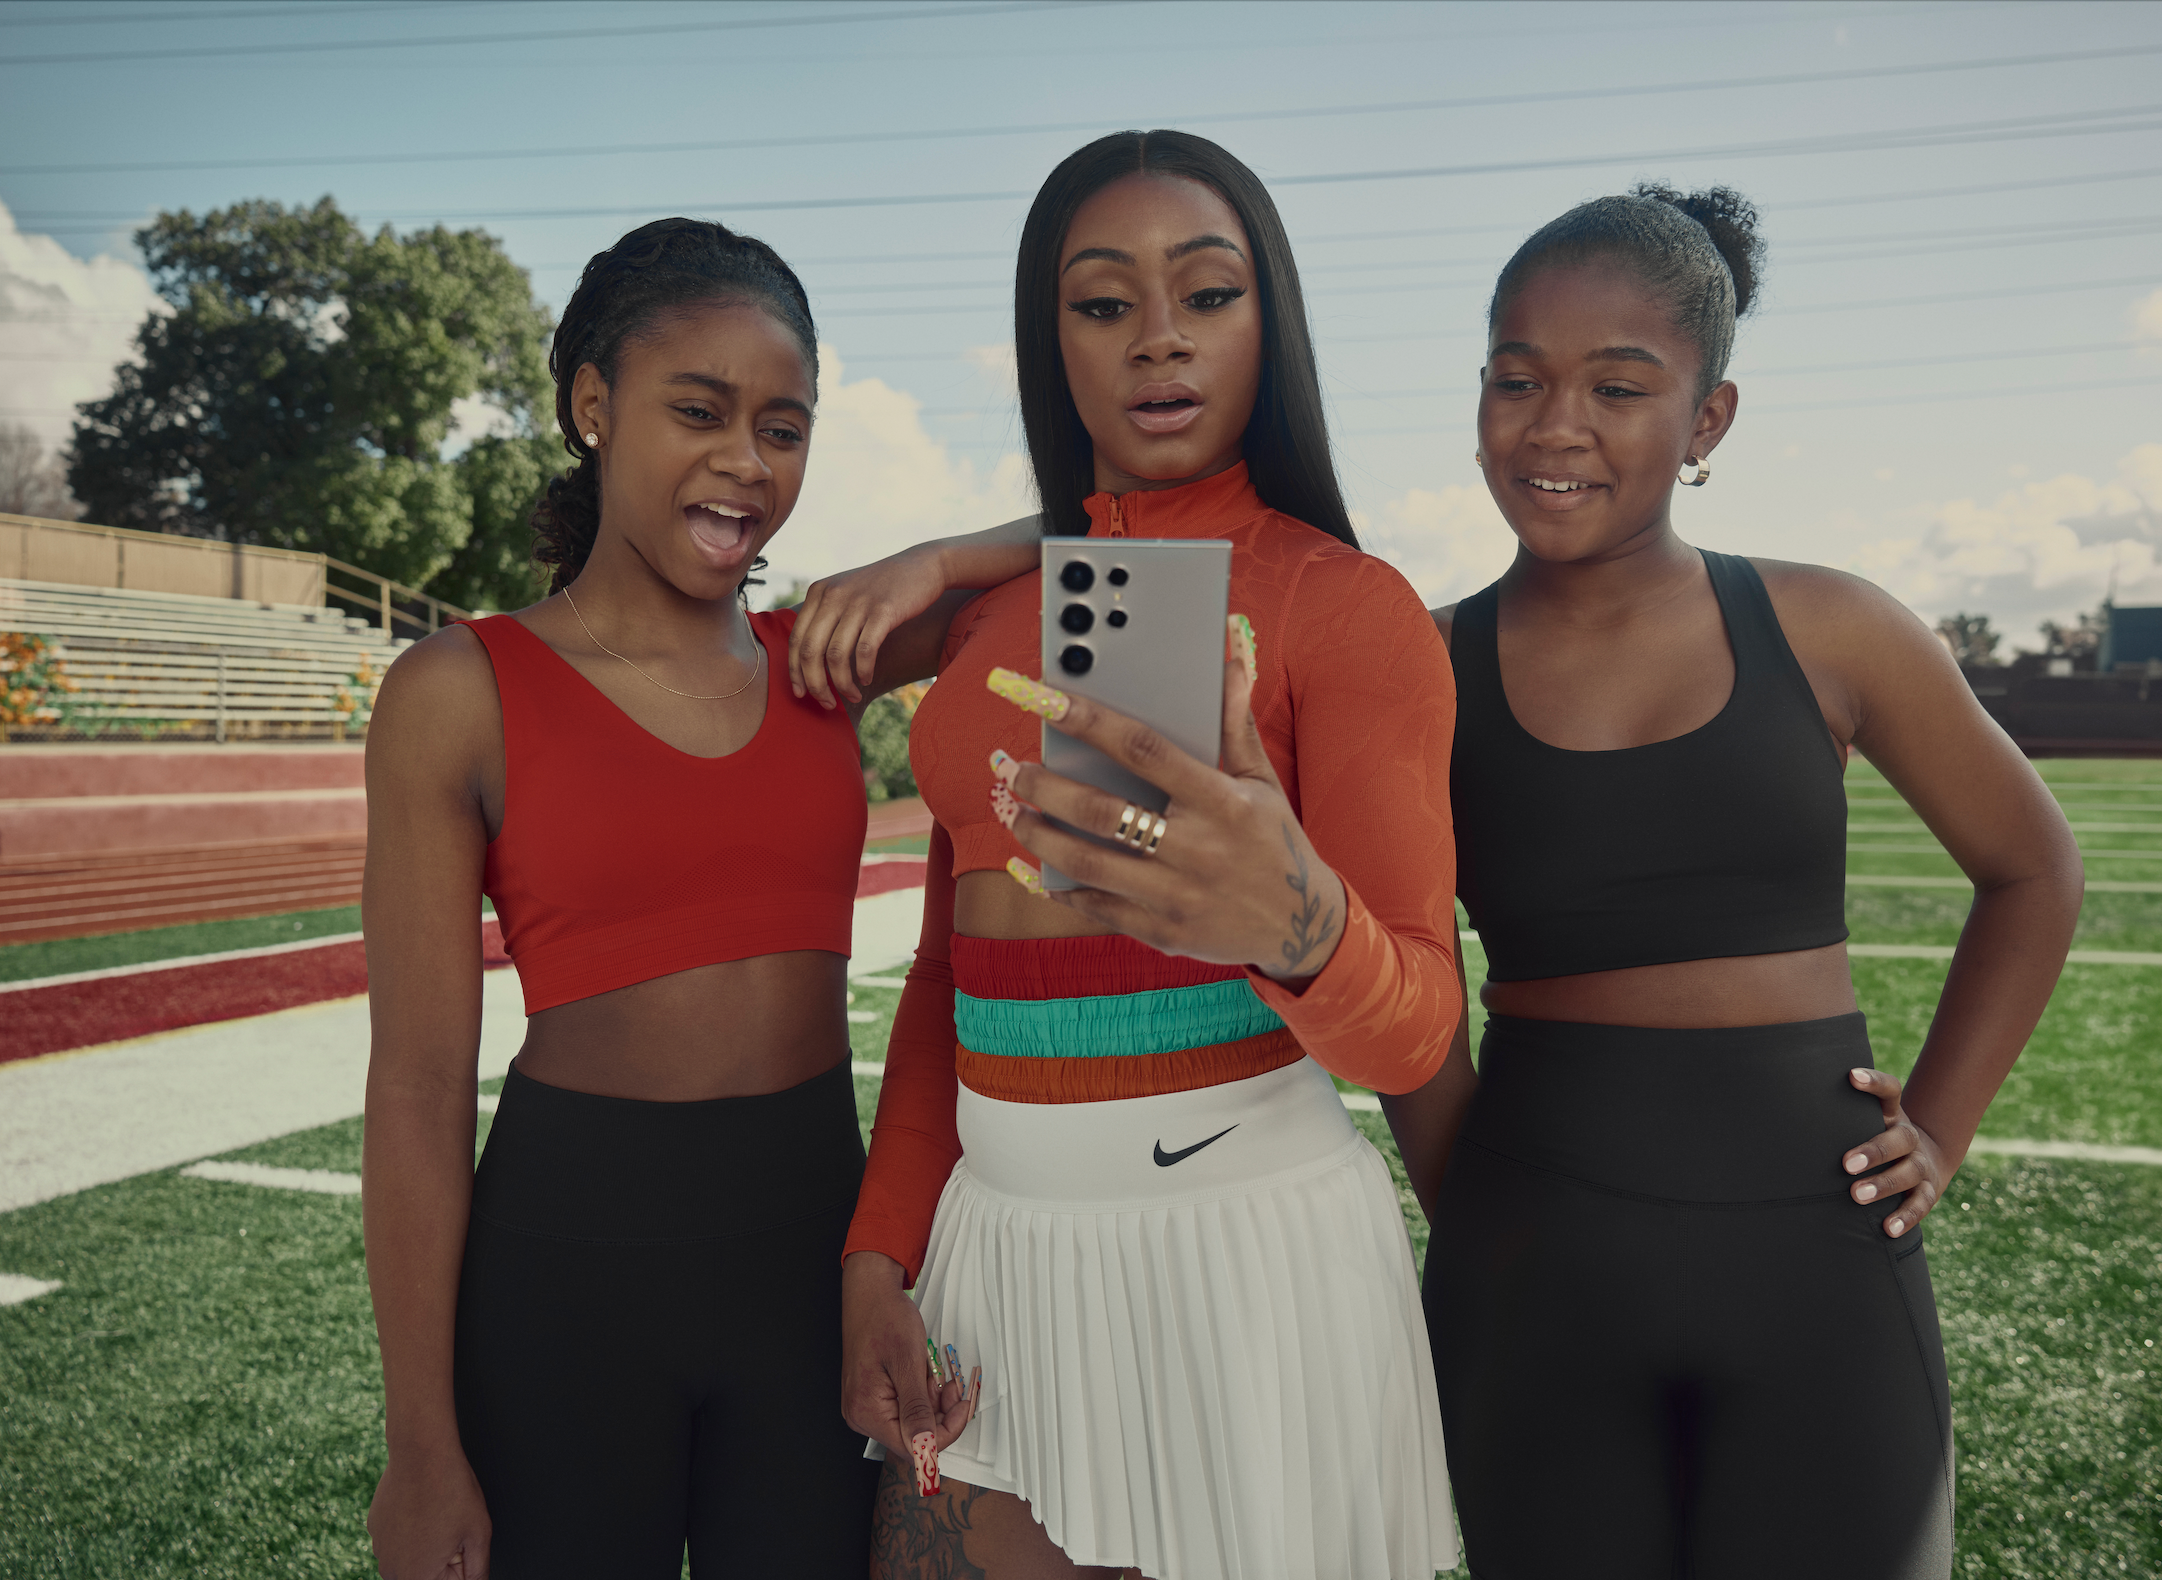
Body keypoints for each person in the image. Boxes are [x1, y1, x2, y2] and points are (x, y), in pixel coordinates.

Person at [800, 131, 1464, 1580]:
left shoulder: (1346, 606)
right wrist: (876, 1257)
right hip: (992, 1257)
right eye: (1103, 304)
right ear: (1052, 343)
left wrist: (1297, 924)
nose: (1159, 337)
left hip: (1250, 1266)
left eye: (1208, 294)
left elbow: (1417, 1030)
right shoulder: (991, 619)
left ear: (1269, 323)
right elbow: (946, 981)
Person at [1395, 186, 2084, 1578]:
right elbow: (1392, 972)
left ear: (1707, 420)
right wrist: (1475, 1201)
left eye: (1618, 387)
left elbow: (2032, 869)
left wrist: (1940, 1130)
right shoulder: (1420, 665)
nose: (1555, 425)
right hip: (1532, 1264)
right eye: (1516, 381)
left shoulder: (1832, 625)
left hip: (1817, 1255)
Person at [359, 218, 969, 1580]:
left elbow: (1086, 542)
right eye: (699, 410)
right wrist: (420, 1444)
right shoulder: (457, 692)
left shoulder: (825, 660)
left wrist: (931, 562)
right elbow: (415, 1087)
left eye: (783, 429)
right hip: (567, 1278)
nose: (746, 461)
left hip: (811, 1268)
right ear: (593, 404)